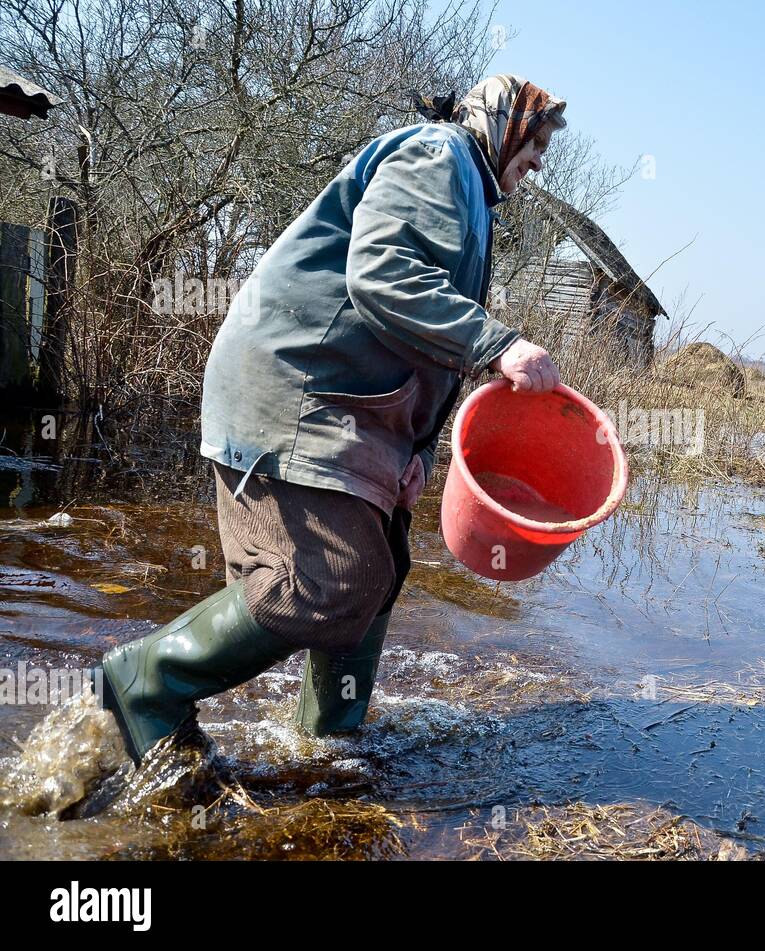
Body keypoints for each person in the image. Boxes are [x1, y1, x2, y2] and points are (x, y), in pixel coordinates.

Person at [96, 75, 567, 764]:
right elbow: (380, 275)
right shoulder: (441, 158)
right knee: (336, 576)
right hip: (292, 389)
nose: (536, 167)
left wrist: (417, 453)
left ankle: (327, 744)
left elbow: (420, 340)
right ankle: (149, 681)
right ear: (501, 125)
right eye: (533, 149)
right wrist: (501, 344)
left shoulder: (469, 192)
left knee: (383, 562)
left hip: (346, 408)